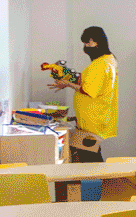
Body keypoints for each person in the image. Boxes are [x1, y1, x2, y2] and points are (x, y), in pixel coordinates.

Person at [43, 27, 117, 162]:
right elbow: (87, 80)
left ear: (95, 42)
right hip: (94, 116)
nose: (85, 47)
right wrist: (67, 78)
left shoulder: (100, 65)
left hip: (92, 119)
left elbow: (87, 90)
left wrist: (67, 83)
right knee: (90, 154)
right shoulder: (108, 60)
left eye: (87, 43)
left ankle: (96, 183)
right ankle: (95, 181)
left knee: (90, 158)